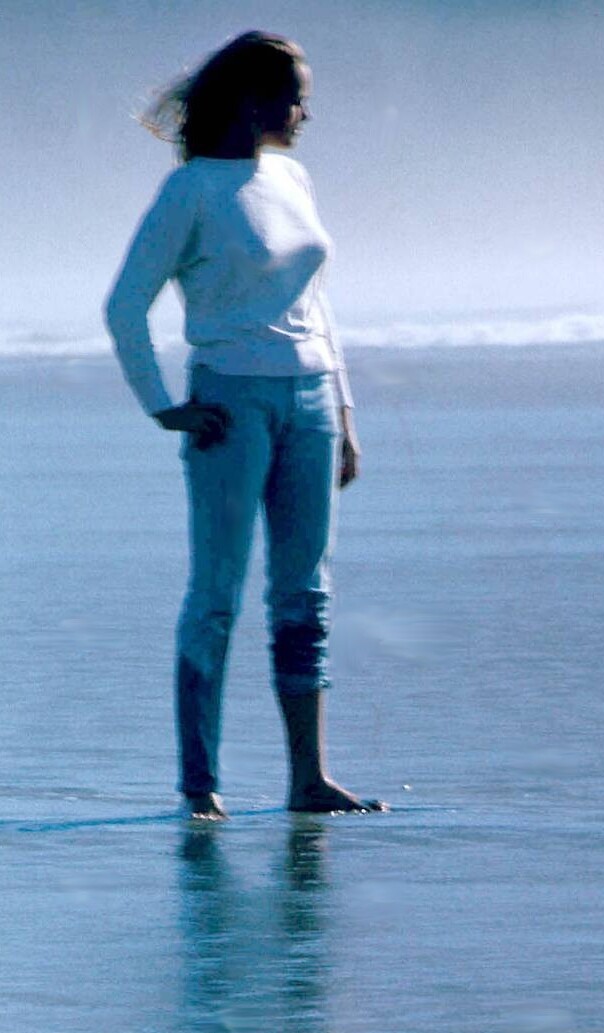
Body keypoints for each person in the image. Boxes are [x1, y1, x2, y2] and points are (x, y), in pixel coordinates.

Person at [105, 30, 387, 820]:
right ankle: (200, 784)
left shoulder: (291, 176)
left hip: (311, 400)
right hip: (231, 404)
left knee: (306, 594)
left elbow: (317, 304)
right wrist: (164, 405)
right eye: (295, 97)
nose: (305, 113)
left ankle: (309, 779)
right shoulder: (191, 191)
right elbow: (125, 304)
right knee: (217, 594)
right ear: (252, 101)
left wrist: (344, 413)